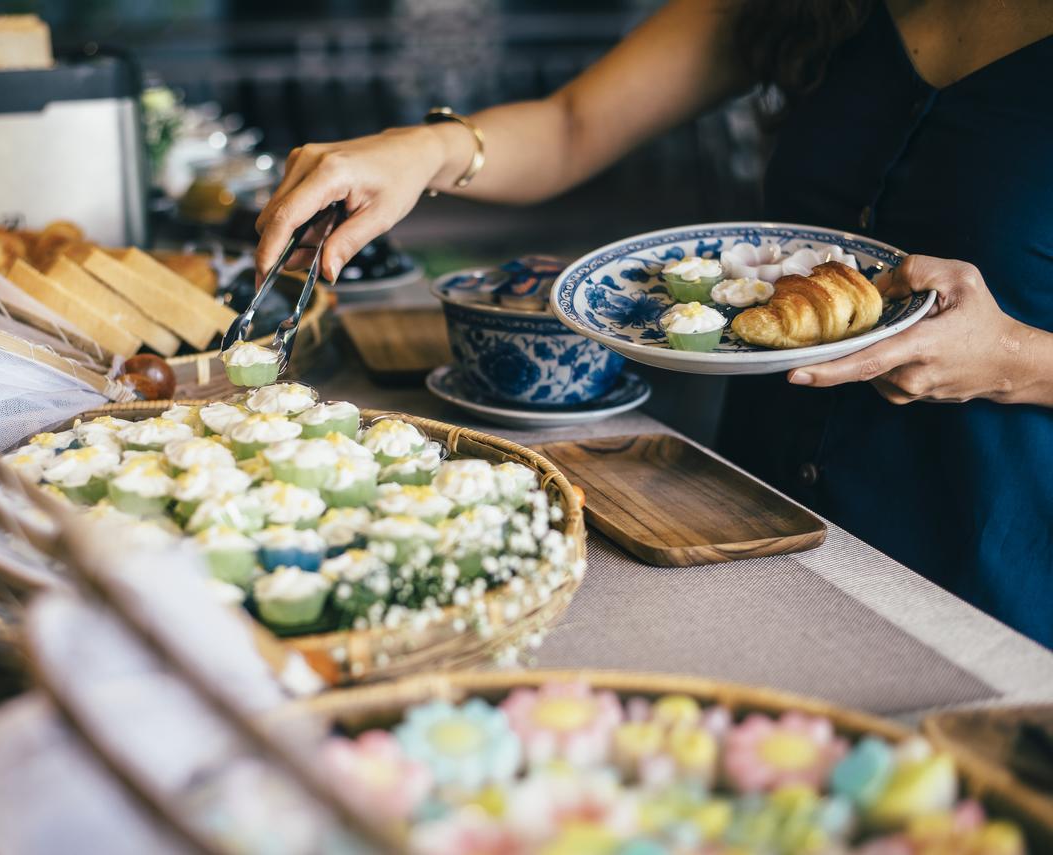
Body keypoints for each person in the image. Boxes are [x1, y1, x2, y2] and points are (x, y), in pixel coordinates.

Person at [253, 0, 1053, 646]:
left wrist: (1012, 356)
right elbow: (575, 123)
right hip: (741, 521)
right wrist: (425, 149)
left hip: (982, 566)